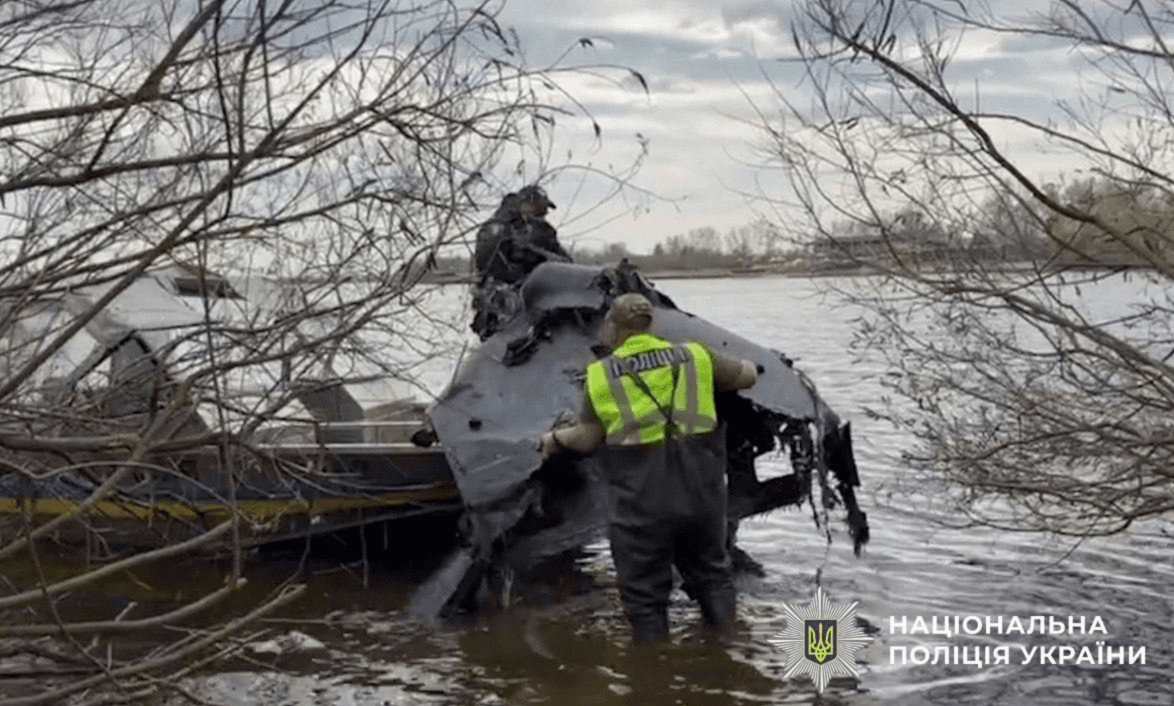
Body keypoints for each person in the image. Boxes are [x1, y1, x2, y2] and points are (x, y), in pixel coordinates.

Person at [537, 293, 758, 643]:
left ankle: (655, 674)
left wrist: (555, 439)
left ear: (612, 328)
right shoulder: (695, 355)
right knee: (713, 576)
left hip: (641, 506)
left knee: (645, 599)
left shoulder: (600, 375)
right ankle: (728, 652)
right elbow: (746, 376)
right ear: (650, 324)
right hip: (702, 498)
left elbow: (588, 438)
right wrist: (746, 366)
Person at [472, 185, 570, 340]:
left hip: (501, 305)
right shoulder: (521, 230)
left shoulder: (496, 226)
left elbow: (564, 263)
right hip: (514, 307)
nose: (543, 215)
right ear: (526, 205)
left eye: (544, 211)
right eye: (541, 209)